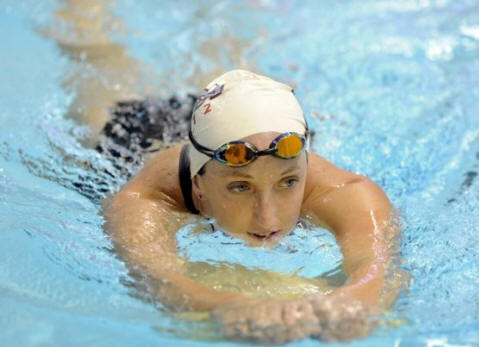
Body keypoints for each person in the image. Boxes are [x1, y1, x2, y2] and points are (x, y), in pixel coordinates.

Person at [103, 69, 403, 343]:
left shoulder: (346, 191)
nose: (267, 218)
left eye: (288, 183)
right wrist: (228, 307)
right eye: (240, 187)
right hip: (138, 138)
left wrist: (352, 302)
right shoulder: (147, 198)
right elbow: (156, 279)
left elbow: (380, 268)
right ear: (198, 185)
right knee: (102, 83)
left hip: (223, 131)